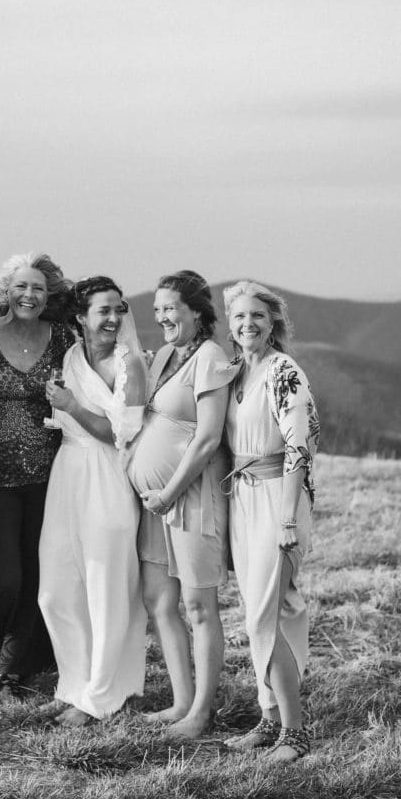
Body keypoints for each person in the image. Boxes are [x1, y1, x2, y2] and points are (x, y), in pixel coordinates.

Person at [127, 270, 236, 739]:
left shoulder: (210, 357)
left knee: (198, 605)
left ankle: (202, 713)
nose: (162, 317)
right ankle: (180, 702)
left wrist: (168, 491)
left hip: (189, 496)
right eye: (157, 310)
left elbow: (209, 436)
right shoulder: (167, 355)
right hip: (155, 503)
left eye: (171, 308)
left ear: (196, 310)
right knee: (160, 600)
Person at [38, 276, 148, 725]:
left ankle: (101, 696)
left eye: (118, 309)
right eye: (103, 310)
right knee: (57, 588)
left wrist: (71, 405)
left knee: (106, 587)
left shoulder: (131, 366)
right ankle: (74, 683)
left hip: (108, 475)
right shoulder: (70, 356)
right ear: (81, 317)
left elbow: (120, 434)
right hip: (68, 472)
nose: (113, 319)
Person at [0, 252, 72, 695]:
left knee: (35, 574)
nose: (30, 295)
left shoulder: (63, 337)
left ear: (49, 297)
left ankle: (8, 668)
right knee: (7, 577)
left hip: (48, 478)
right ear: (5, 291)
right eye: (22, 287)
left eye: (39, 289)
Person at [222, 280, 320, 762]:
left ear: (273, 322)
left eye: (257, 316)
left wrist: (285, 520)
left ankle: (295, 735)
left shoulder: (283, 371)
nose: (248, 324)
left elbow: (298, 448)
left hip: (277, 502)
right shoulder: (238, 372)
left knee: (264, 617)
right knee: (270, 611)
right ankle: (269, 718)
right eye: (239, 317)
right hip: (243, 500)